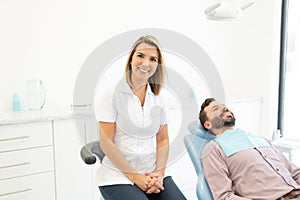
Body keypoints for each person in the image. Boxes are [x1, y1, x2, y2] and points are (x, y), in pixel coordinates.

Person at [94, 35, 186, 200]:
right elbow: (106, 143)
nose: (146, 63)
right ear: (131, 59)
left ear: (157, 65)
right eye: (140, 56)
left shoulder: (160, 99)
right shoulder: (110, 95)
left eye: (153, 59)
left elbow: (163, 139)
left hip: (151, 173)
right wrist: (136, 178)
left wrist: (159, 173)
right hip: (117, 176)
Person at [199, 98, 300, 200]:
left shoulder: (261, 139)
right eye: (216, 109)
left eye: (224, 106)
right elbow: (224, 197)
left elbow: (295, 172)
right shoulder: (213, 149)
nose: (225, 108)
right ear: (208, 124)